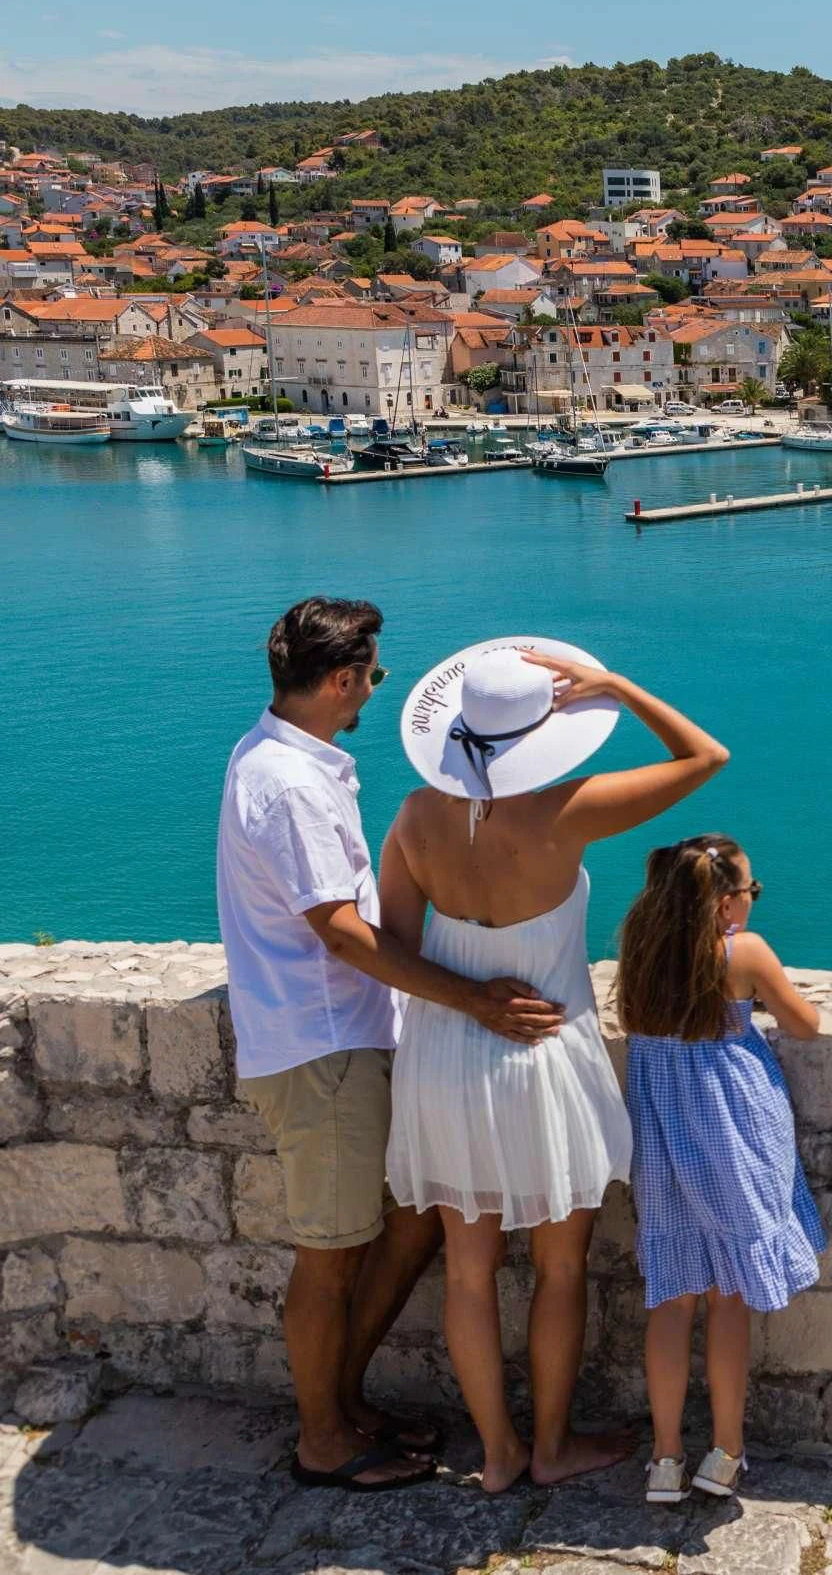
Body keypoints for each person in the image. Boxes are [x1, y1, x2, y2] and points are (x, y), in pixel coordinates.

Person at [217, 598, 565, 1493]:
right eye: (372, 675)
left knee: (411, 1224)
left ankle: (344, 1405)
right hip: (322, 1047)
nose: (376, 687)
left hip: (345, 1038)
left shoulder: (279, 760)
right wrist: (474, 1000)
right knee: (330, 1257)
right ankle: (322, 1441)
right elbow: (340, 932)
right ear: (341, 681)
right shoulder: (289, 785)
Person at [379, 638, 728, 1493]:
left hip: (443, 1055)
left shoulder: (415, 817)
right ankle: (550, 1447)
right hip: (542, 1059)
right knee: (560, 1266)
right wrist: (614, 683)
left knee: (466, 1268)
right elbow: (704, 755)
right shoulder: (568, 809)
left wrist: (466, 994)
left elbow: (391, 946)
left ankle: (496, 1455)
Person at [613, 835, 825, 1505]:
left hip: (663, 1141)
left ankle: (665, 1458)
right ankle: (726, 1453)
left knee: (672, 1299)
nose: (753, 902)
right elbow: (806, 1024)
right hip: (732, 1138)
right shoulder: (742, 953)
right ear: (726, 902)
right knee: (729, 1295)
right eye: (751, 891)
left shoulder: (642, 953)